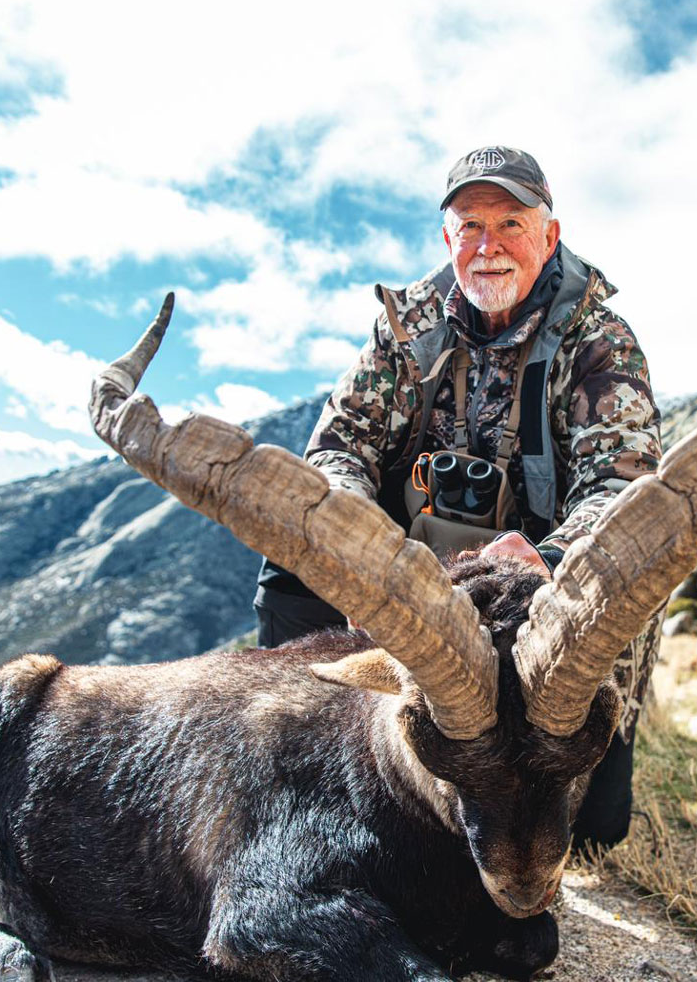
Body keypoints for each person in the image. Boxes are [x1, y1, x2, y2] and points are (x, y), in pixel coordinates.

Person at [254, 146, 663, 850]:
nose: (488, 247)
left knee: (596, 828)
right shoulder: (405, 327)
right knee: (291, 565)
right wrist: (358, 542)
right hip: (415, 560)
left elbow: (623, 483)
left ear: (549, 235)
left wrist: (550, 553)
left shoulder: (599, 341)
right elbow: (337, 448)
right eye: (469, 226)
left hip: (541, 578)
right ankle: (300, 749)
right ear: (448, 239)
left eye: (511, 223)